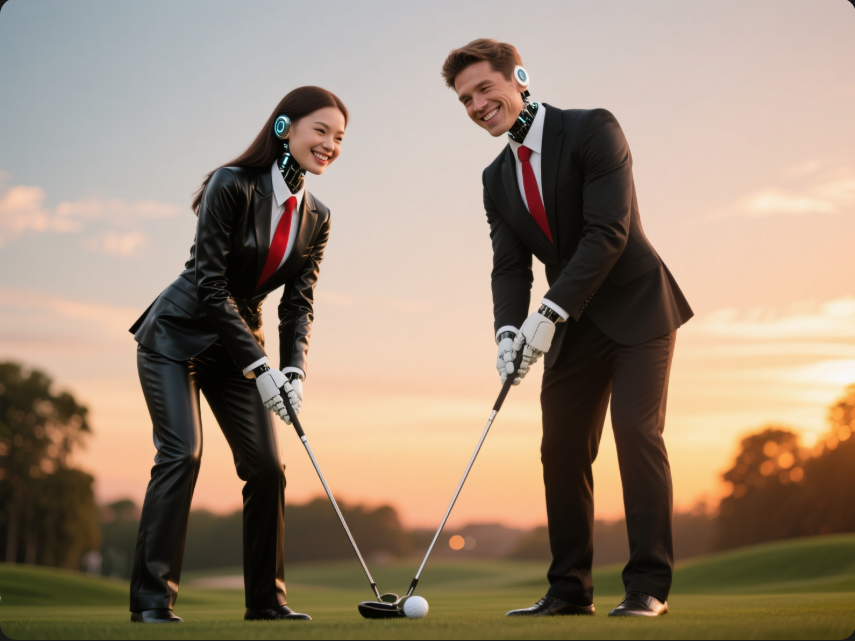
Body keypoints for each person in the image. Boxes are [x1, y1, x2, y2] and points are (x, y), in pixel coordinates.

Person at [441, 39, 693, 617]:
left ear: (518, 78)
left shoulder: (592, 129)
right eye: (465, 100)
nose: (478, 105)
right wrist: (507, 332)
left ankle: (647, 587)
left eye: (485, 88)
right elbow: (509, 265)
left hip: (636, 310)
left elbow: (609, 230)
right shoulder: (495, 177)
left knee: (636, 433)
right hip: (573, 327)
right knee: (560, 451)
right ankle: (569, 590)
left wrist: (548, 312)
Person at [127, 86, 347, 623]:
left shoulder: (318, 216)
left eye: (339, 137)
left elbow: (299, 304)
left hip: (240, 349)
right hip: (176, 337)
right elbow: (210, 285)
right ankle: (153, 603)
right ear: (284, 129)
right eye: (320, 130)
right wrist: (260, 366)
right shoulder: (233, 184)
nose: (330, 145)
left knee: (268, 468)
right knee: (182, 455)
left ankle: (267, 603)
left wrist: (292, 369)